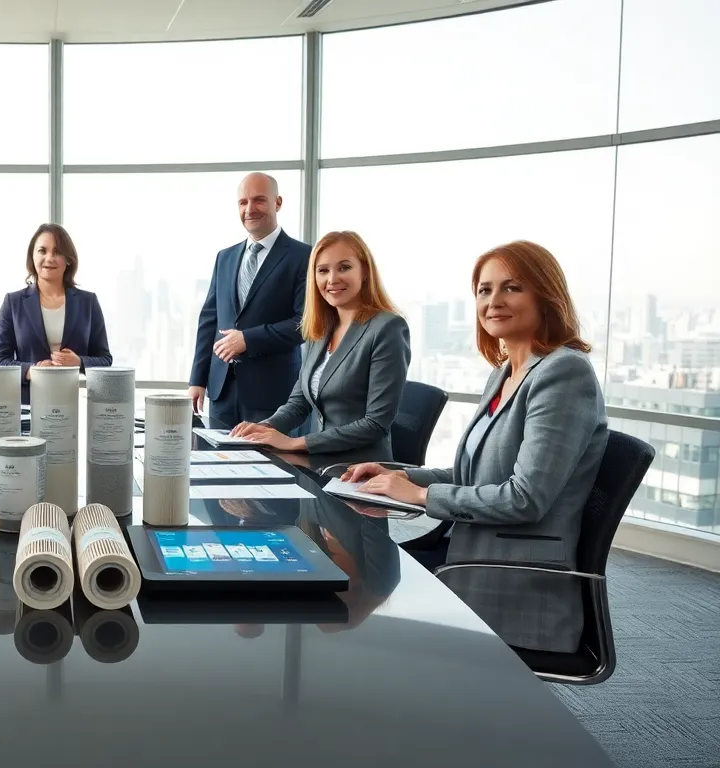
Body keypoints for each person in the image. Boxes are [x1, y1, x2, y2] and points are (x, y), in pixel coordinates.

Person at [342, 240, 608, 654]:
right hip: (469, 556)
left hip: (512, 582)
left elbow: (525, 499)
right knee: (350, 591)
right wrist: (400, 477)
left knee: (359, 617)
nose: (494, 301)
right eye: (484, 290)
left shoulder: (563, 373)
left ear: (546, 295)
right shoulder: (506, 373)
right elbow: (476, 477)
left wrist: (419, 496)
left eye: (512, 288)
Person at [230, 231, 410, 458]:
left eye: (344, 267)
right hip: (319, 461)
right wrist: (266, 427)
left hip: (360, 470)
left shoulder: (387, 328)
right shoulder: (322, 328)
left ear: (365, 271)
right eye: (323, 270)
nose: (332, 279)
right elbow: (299, 402)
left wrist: (295, 443)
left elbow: (375, 423)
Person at [188, 173, 311, 429]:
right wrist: (197, 379)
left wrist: (248, 339)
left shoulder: (303, 256)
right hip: (222, 390)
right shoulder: (225, 257)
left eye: (259, 200)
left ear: (278, 203)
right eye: (243, 202)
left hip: (273, 394)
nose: (249, 209)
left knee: (270, 467)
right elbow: (209, 321)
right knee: (218, 466)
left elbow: (305, 324)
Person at [0, 223, 112, 404]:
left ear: (68, 259)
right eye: (42, 251)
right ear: (32, 256)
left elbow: (104, 359)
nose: (49, 258)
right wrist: (32, 370)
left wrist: (79, 362)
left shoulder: (88, 302)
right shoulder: (13, 302)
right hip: (27, 406)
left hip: (75, 404)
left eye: (58, 252)